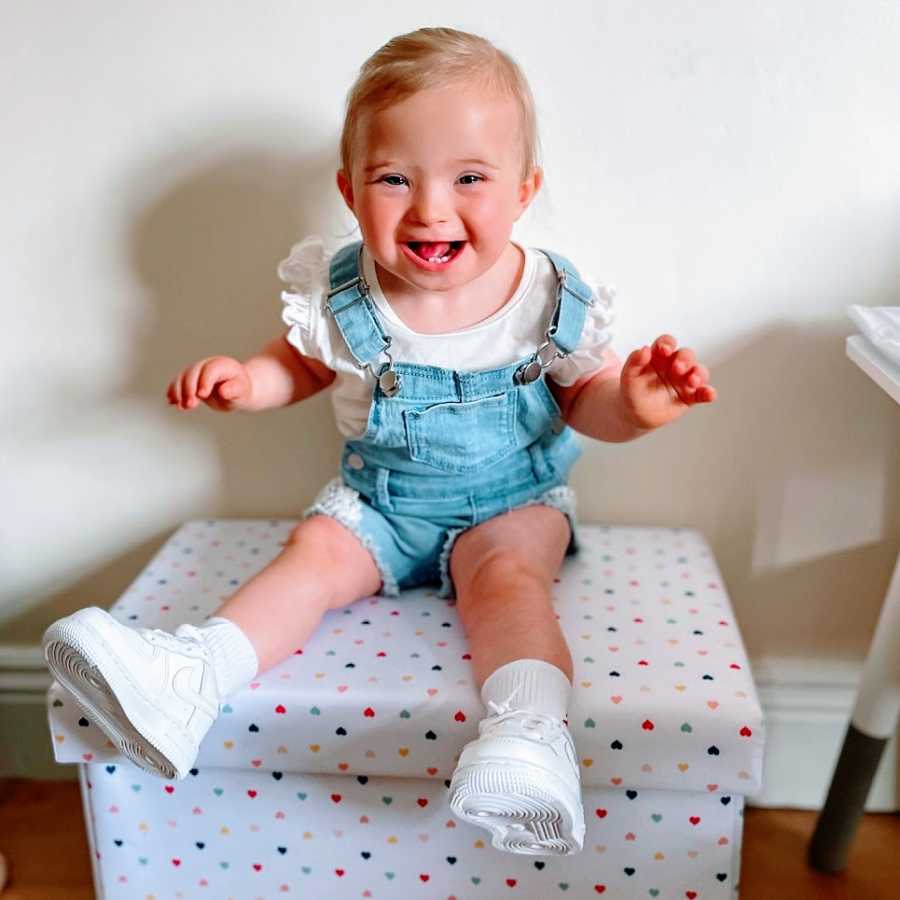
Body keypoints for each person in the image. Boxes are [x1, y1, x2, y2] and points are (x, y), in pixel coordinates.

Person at [42, 27, 716, 857]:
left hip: (512, 504)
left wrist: (637, 405)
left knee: (508, 583)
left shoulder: (546, 296)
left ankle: (530, 740)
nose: (431, 208)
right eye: (395, 178)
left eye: (470, 178)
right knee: (311, 553)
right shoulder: (342, 290)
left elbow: (586, 402)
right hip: (382, 506)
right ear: (350, 191)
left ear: (524, 188)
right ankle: (193, 677)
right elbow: (300, 366)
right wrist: (247, 383)